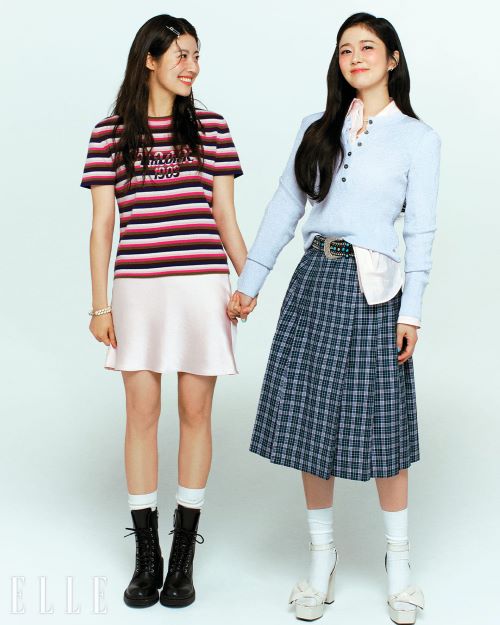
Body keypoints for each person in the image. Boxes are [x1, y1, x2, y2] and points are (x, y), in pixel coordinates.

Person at [228, 11, 440, 625]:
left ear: (393, 59)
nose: (355, 57)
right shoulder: (314, 128)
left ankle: (399, 568)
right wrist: (250, 283)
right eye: (345, 49)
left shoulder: (418, 139)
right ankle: (321, 560)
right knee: (312, 424)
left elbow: (421, 232)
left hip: (376, 292)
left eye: (368, 47)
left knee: (384, 429)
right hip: (316, 279)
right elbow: (284, 207)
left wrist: (413, 311)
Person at [80, 14, 246, 609]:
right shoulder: (108, 134)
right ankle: (146, 556)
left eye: (196, 55)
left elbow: (224, 216)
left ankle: (183, 558)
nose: (191, 66)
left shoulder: (212, 128)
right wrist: (99, 304)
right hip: (138, 290)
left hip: (202, 286)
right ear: (149, 59)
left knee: (196, 413)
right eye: (180, 54)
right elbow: (103, 226)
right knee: (141, 414)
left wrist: (248, 280)